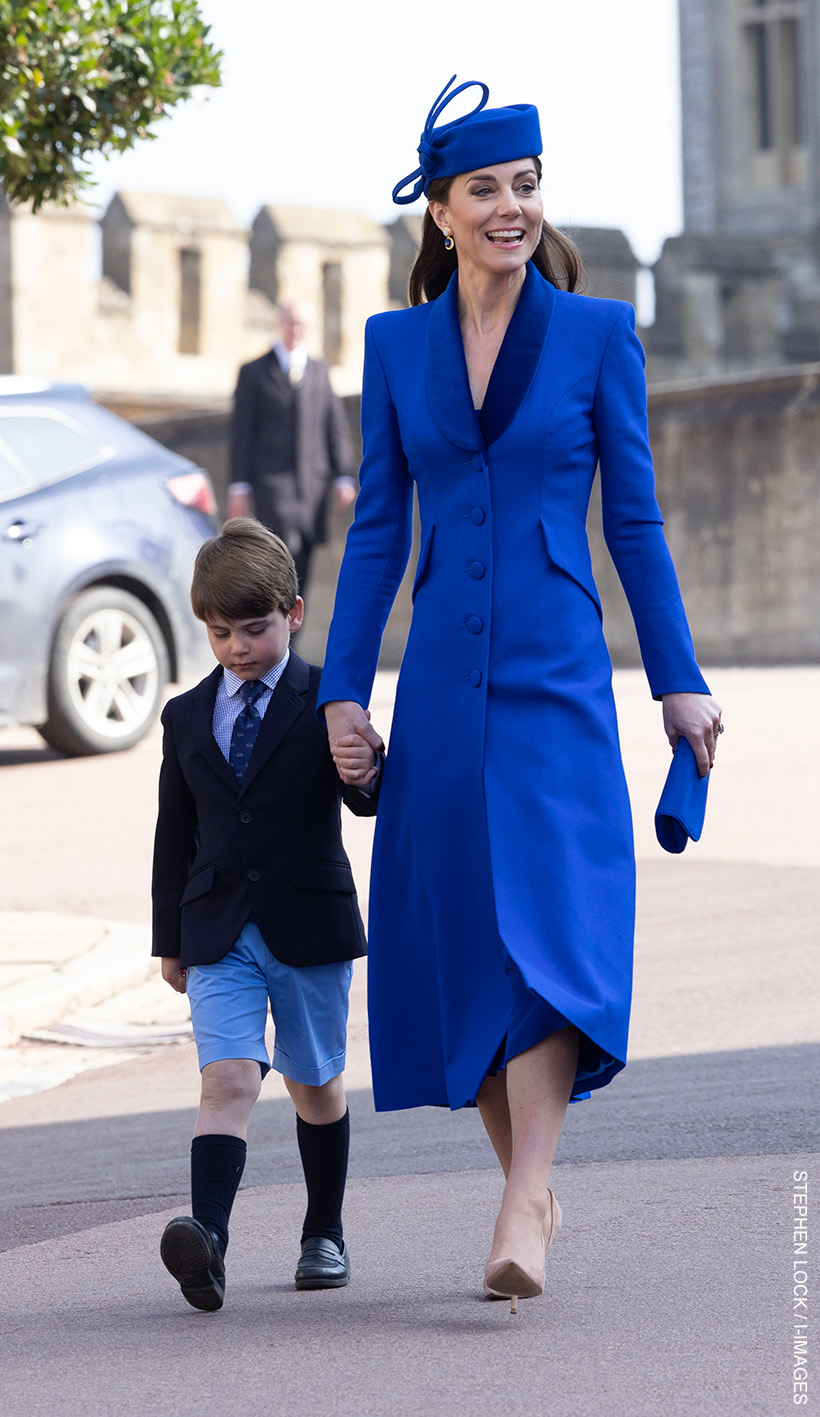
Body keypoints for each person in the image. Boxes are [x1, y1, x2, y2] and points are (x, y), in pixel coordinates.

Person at [318, 76, 723, 1312]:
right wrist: (342, 690)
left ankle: (518, 1198)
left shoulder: (598, 336)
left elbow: (637, 524)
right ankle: (529, 1190)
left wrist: (679, 683)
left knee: (546, 919)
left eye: (525, 185)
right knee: (459, 932)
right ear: (439, 212)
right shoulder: (394, 347)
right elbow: (379, 530)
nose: (510, 207)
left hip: (555, 667)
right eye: (483, 189)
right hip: (440, 673)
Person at [151, 518, 380, 1312]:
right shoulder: (185, 715)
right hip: (216, 926)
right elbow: (173, 832)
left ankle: (325, 1231)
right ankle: (207, 1240)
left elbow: (365, 797)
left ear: (293, 614)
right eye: (221, 632)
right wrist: (168, 938)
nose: (238, 646)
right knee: (227, 1079)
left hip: (308, 923)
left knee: (315, 1080)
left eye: (254, 628)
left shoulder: (326, 696)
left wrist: (367, 766)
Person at [227, 301, 357, 599]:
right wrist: (239, 486)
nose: (296, 330)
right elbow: (241, 432)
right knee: (283, 551)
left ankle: (292, 632)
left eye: (303, 325)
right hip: (271, 482)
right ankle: (279, 628)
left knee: (305, 558)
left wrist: (343, 476)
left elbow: (334, 425)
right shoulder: (255, 372)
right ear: (280, 324)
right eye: (291, 323)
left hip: (312, 485)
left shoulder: (320, 372)